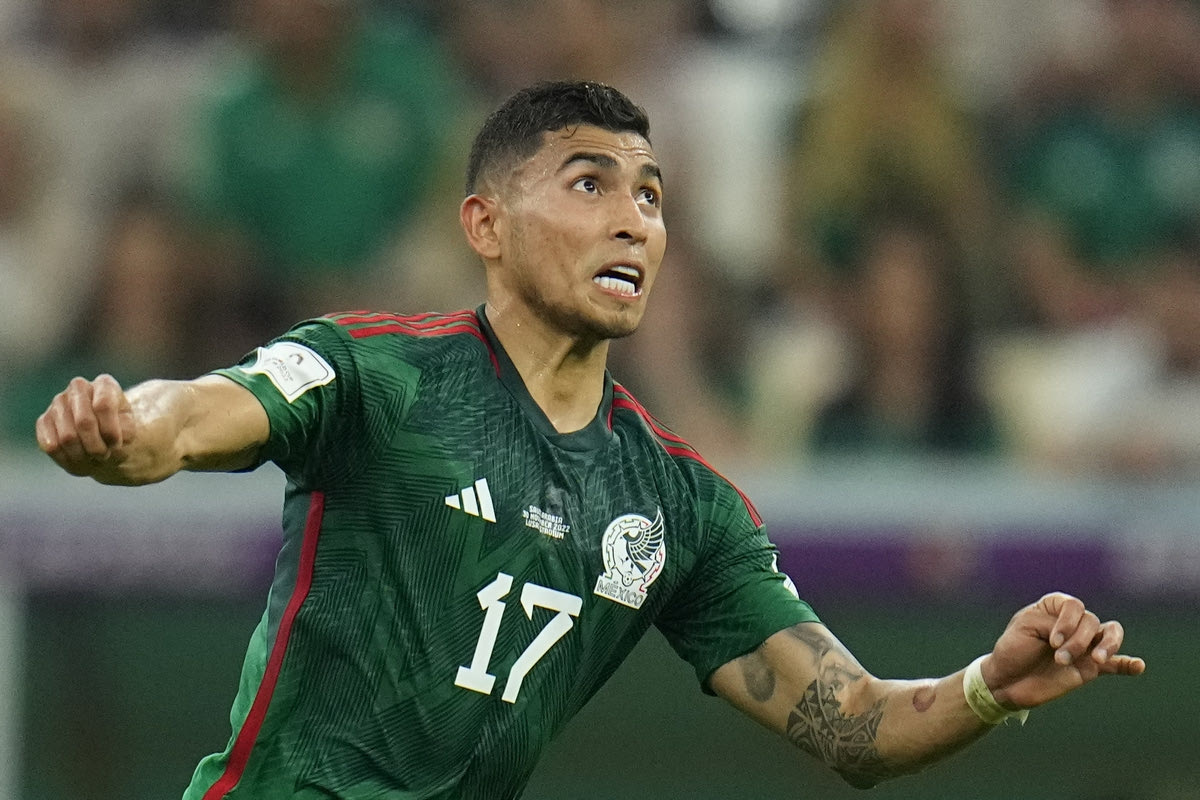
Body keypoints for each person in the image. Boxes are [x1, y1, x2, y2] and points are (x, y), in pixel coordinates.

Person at [35, 81, 1144, 799]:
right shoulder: (375, 373)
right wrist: (124, 432)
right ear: (486, 224)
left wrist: (988, 685)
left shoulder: (679, 505)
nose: (634, 219)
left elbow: (853, 724)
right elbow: (196, 413)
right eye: (590, 183)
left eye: (651, 196)